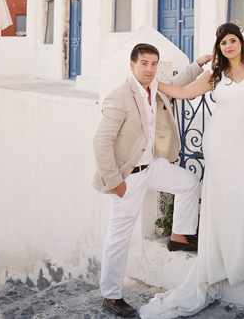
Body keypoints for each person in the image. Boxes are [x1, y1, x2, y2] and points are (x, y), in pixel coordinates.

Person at [138, 23, 244, 318]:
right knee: (222, 201)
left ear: (240, 42)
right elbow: (185, 92)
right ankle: (221, 257)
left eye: (232, 40)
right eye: (223, 42)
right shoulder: (216, 74)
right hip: (218, 145)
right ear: (219, 47)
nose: (228, 46)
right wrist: (151, 82)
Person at [93, 43, 213, 318]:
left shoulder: (154, 87)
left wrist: (199, 63)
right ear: (132, 65)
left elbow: (179, 84)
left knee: (188, 182)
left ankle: (179, 236)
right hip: (128, 177)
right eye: (144, 63)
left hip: (152, 167)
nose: (149, 69)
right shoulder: (120, 97)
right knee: (118, 237)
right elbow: (101, 143)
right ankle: (110, 295)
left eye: (154, 63)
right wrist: (115, 182)